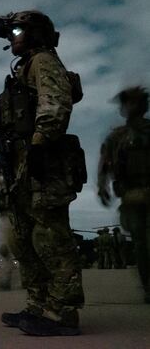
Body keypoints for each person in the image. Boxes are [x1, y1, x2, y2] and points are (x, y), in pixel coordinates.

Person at [0, 10, 86, 336]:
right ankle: (38, 304)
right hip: (20, 167)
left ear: (37, 34)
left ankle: (62, 312)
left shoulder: (43, 60)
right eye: (11, 32)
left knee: (50, 237)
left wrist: (41, 144)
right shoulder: (24, 69)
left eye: (18, 30)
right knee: (22, 239)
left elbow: (55, 103)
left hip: (42, 163)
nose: (13, 37)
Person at [97, 86, 150, 302]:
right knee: (141, 243)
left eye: (135, 102)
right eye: (128, 102)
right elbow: (105, 165)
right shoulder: (117, 137)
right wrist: (102, 187)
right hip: (132, 196)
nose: (131, 106)